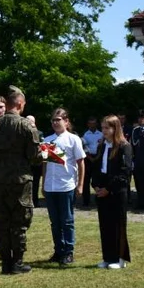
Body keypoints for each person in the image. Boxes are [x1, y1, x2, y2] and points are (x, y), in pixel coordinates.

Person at [0, 86, 40, 274]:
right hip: (20, 180)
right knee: (20, 221)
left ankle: (5, 262)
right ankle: (17, 262)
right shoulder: (25, 126)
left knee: (2, 221)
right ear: (20, 104)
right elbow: (34, 155)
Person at [41, 108, 85, 265]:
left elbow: (81, 163)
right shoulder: (47, 140)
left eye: (58, 119)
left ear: (66, 121)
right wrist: (43, 184)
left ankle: (68, 251)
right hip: (51, 186)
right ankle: (58, 250)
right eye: (53, 120)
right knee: (55, 222)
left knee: (67, 220)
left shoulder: (73, 139)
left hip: (66, 185)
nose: (55, 122)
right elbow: (45, 164)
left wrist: (80, 185)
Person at [92, 116, 132, 269]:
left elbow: (124, 172)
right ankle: (108, 257)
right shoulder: (102, 145)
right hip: (102, 191)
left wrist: (108, 189)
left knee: (117, 225)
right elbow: (97, 167)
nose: (104, 131)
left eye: (107, 128)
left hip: (116, 192)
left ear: (115, 128)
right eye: (102, 128)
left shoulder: (124, 146)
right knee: (105, 225)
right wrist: (96, 186)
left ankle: (120, 258)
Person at [80, 117, 102, 207]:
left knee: (98, 180)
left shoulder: (101, 134)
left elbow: (102, 147)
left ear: (96, 124)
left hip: (98, 158)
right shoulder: (84, 135)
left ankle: (99, 198)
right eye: (90, 123)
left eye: (94, 123)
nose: (92, 125)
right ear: (88, 124)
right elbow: (83, 147)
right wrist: (89, 157)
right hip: (87, 158)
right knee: (86, 180)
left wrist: (97, 157)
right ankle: (86, 201)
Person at [26, 115, 43, 208]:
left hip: (37, 163)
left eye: (31, 121)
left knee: (36, 183)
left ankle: (35, 200)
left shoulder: (40, 133)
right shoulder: (23, 133)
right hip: (27, 163)